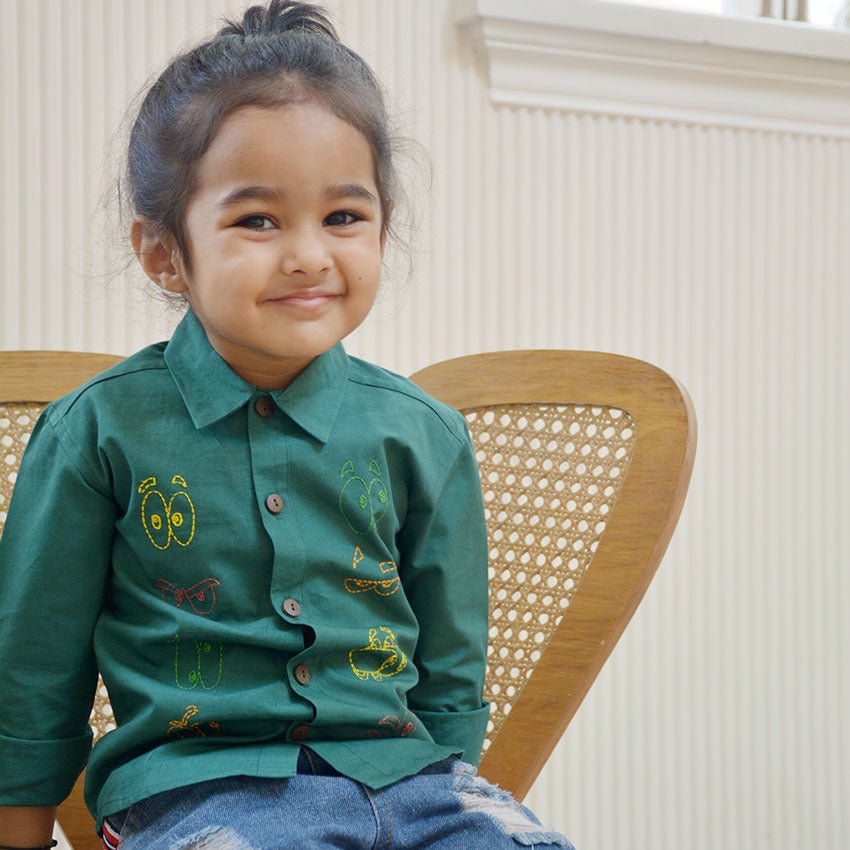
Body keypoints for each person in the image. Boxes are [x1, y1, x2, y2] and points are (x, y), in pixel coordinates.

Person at [0, 3, 573, 848]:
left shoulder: (424, 435)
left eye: (343, 217)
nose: (309, 255)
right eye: (257, 220)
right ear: (164, 252)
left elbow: (450, 671)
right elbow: (32, 673)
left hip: (410, 784)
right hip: (198, 795)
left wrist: (453, 804)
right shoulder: (96, 432)